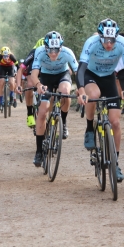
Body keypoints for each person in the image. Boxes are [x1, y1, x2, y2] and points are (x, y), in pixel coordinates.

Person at [77, 18, 124, 182]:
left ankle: (115, 163)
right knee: (93, 96)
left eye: (112, 41)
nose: (109, 44)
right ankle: (89, 129)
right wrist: (81, 92)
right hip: (91, 75)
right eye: (105, 40)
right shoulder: (91, 42)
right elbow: (80, 69)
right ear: (100, 37)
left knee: (115, 122)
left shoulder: (122, 43)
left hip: (109, 77)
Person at [29, 31, 78, 167]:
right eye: (50, 50)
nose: (54, 54)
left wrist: (81, 88)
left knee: (65, 92)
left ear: (61, 48)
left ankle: (64, 121)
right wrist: (38, 85)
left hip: (63, 75)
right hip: (45, 78)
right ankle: (39, 151)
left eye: (56, 50)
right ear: (45, 48)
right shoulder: (39, 51)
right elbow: (34, 74)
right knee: (43, 112)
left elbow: (78, 72)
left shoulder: (67, 52)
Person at [16, 38, 45, 128]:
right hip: (33, 70)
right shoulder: (33, 52)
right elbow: (21, 69)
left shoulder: (53, 53)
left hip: (45, 70)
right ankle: (30, 114)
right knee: (30, 85)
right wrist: (18, 85)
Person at [0, 46, 19, 111]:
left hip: (10, 67)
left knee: (12, 82)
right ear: (1, 55)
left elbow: (18, 66)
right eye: (4, 56)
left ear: (9, 54)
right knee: (1, 83)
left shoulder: (12, 57)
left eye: (7, 56)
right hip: (2, 68)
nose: (6, 58)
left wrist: (17, 72)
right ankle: (0, 102)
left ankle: (12, 96)